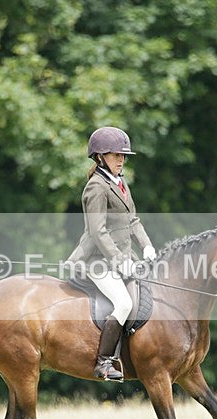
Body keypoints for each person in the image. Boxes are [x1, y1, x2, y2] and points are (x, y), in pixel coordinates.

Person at [66, 126, 156, 381]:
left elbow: (133, 220)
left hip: (122, 259)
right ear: (100, 157)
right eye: (116, 155)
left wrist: (146, 246)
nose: (121, 160)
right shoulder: (96, 187)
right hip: (96, 260)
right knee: (124, 303)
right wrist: (120, 261)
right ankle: (104, 362)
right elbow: (97, 231)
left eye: (123, 155)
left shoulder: (120, 182)